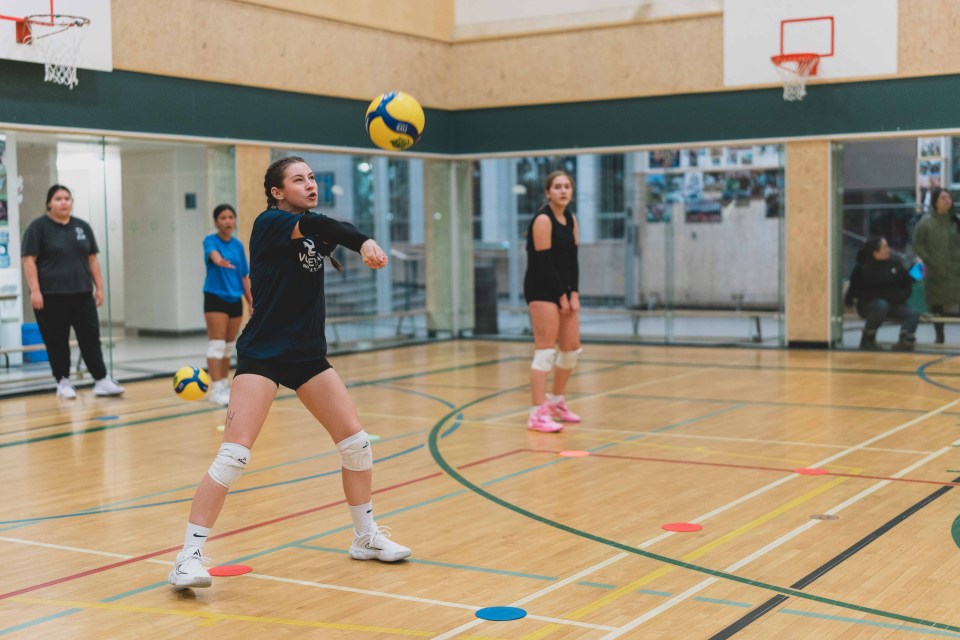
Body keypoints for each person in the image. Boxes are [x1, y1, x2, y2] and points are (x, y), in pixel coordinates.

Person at [169, 156, 410, 590]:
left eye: (313, 177)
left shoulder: (313, 223)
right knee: (234, 455)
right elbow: (327, 230)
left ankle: (365, 537)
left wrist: (358, 242)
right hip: (264, 353)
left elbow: (327, 228)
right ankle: (187, 557)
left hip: (307, 355)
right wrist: (365, 242)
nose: (310, 184)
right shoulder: (269, 223)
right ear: (278, 191)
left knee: (356, 445)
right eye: (298, 179)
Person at [21, 185, 124, 399]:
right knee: (57, 340)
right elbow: (29, 260)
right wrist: (35, 291)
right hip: (51, 296)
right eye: (58, 198)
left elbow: (92, 259)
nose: (64, 202)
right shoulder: (38, 228)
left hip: (82, 294)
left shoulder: (82, 227)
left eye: (67, 198)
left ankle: (101, 379)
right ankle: (63, 381)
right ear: (49, 202)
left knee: (90, 337)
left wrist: (100, 288)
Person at [523, 170, 582, 433]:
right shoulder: (542, 220)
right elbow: (544, 264)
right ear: (548, 192)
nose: (563, 191)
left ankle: (556, 401)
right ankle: (536, 414)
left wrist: (574, 293)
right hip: (542, 290)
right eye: (557, 187)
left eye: (567, 186)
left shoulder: (571, 219)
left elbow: (573, 261)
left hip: (564, 292)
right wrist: (560, 296)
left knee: (571, 351)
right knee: (545, 352)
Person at [203, 204, 253, 406]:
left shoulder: (238, 246)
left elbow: (244, 277)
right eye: (223, 218)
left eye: (231, 217)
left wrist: (251, 302)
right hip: (215, 298)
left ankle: (223, 384)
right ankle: (216, 388)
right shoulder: (210, 241)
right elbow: (212, 254)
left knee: (228, 347)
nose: (227, 221)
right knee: (216, 345)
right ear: (216, 222)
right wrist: (219, 260)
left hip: (234, 299)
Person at [844, 236, 919, 351]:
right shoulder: (863, 267)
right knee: (881, 305)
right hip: (870, 305)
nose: (888, 249)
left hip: (895, 304)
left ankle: (905, 340)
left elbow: (907, 282)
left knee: (913, 312)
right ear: (875, 252)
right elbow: (854, 290)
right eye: (884, 247)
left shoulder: (895, 264)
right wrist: (849, 300)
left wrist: (919, 270)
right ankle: (867, 339)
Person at [913, 187, 960, 343]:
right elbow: (917, 245)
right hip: (936, 271)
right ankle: (940, 337)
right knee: (937, 304)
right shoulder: (925, 222)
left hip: (957, 270)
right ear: (935, 202)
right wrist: (929, 259)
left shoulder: (956, 221)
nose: (948, 200)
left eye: (949, 198)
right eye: (943, 198)